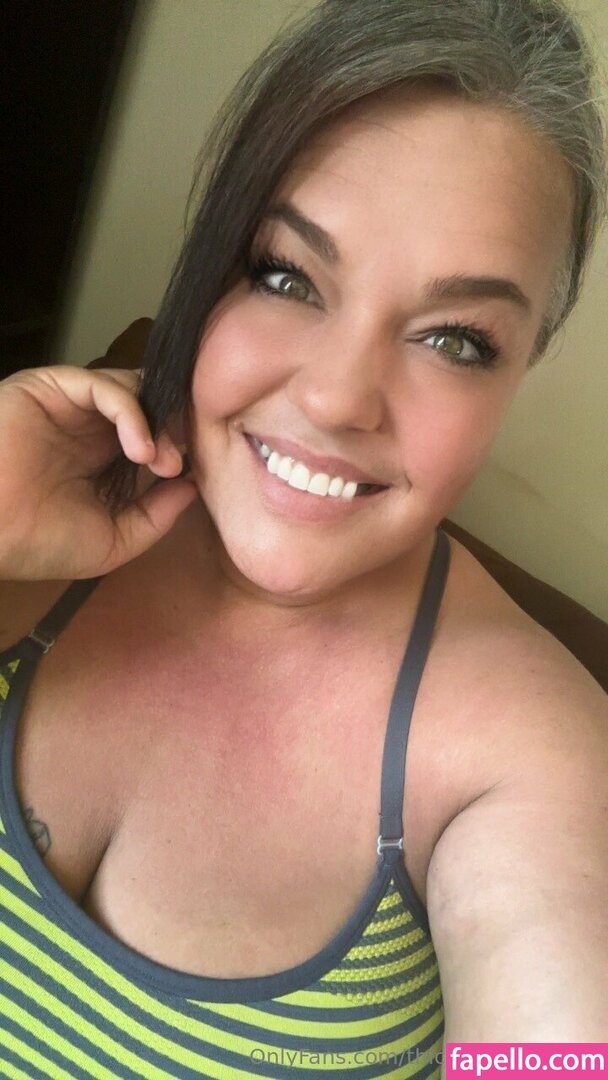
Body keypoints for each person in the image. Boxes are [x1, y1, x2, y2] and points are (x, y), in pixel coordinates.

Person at [0, 0, 607, 1075]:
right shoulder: (29, 511)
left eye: (455, 340)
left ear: (519, 370)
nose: (335, 398)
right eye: (286, 276)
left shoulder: (534, 758)